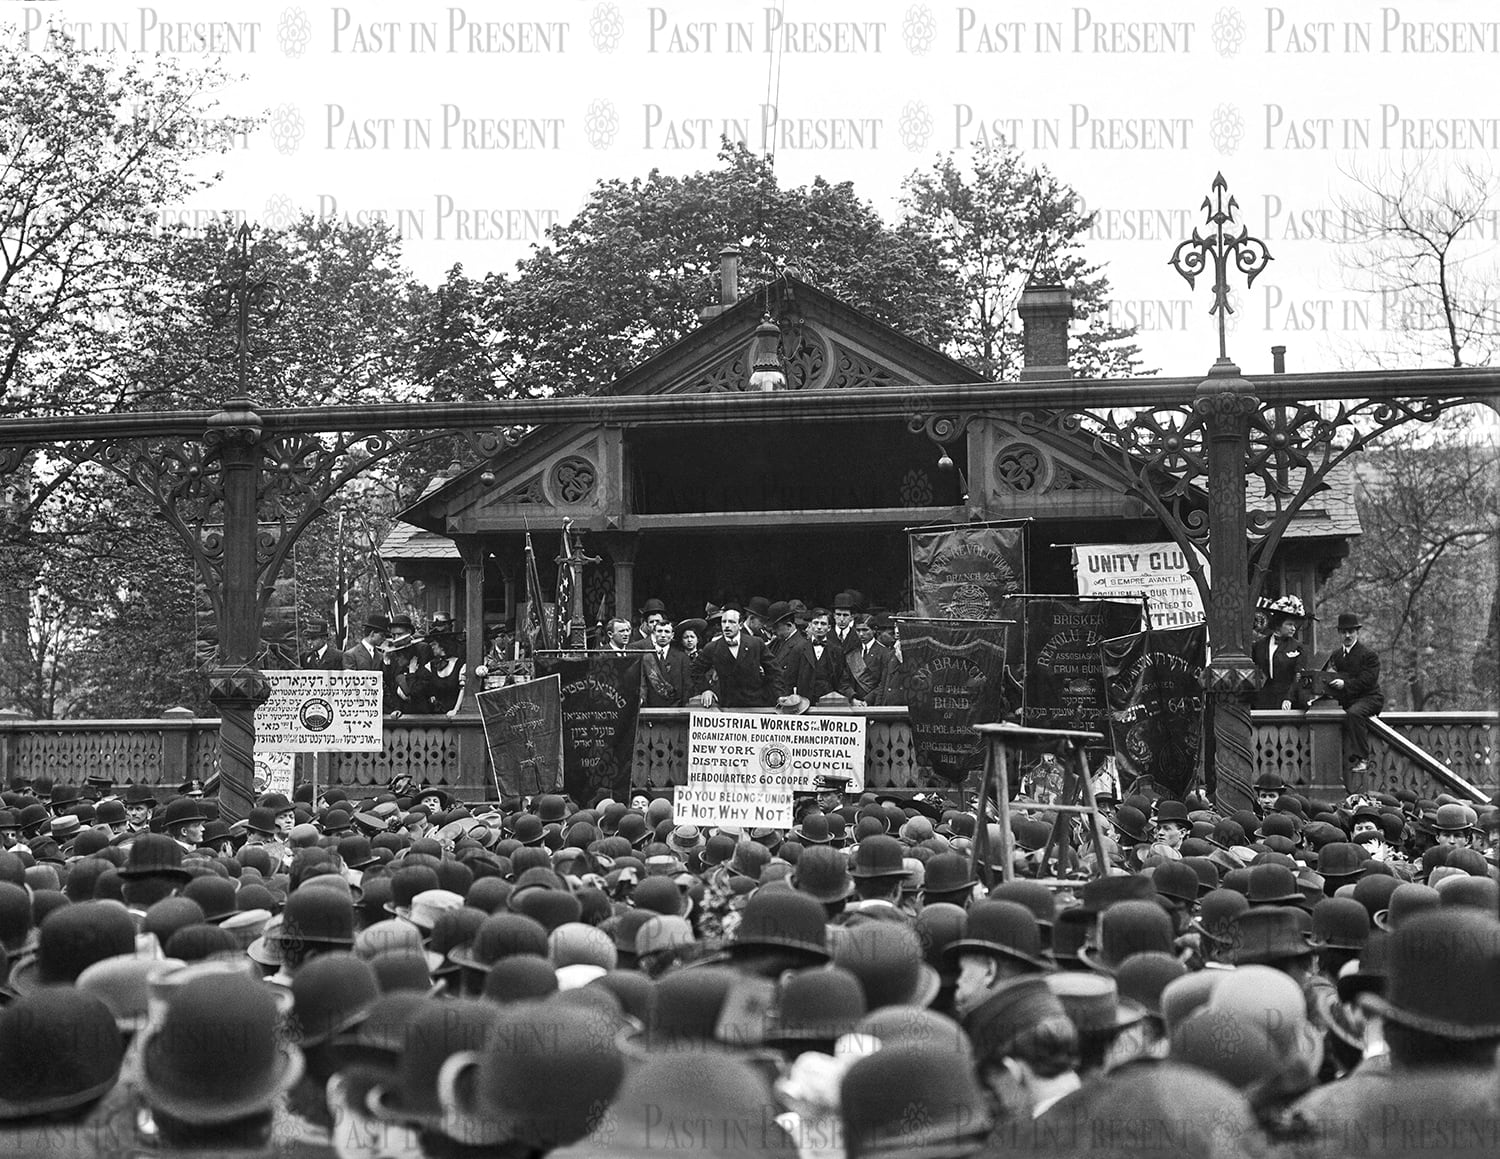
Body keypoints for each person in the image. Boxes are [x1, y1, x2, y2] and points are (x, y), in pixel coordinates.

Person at [1323, 612, 1384, 773]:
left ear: (1357, 632)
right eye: (1344, 632)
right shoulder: (1336, 655)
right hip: (1347, 699)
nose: (1347, 635)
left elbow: (1368, 681)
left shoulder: (1368, 655)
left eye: (1351, 631)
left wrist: (1345, 684)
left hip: (1370, 698)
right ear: (1339, 633)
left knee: (1354, 714)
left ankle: (1363, 758)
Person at [691, 606, 778, 708]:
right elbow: (696, 670)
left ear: (740, 625)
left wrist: (777, 696)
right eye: (724, 622)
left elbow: (774, 671)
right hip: (726, 705)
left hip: (755, 704)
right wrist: (705, 689)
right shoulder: (712, 647)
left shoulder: (756, 643)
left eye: (732, 622)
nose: (727, 626)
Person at [1252, 595, 1309, 710]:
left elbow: (1298, 677)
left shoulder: (1298, 647)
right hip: (1262, 701)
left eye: (1294, 625)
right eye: (1289, 624)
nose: (1293, 628)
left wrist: (1289, 698)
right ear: (1278, 625)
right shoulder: (1259, 646)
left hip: (1287, 702)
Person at [641, 619, 689, 708]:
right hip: (651, 711)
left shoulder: (682, 657)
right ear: (654, 634)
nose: (663, 635)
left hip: (676, 711)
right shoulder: (646, 657)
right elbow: (642, 686)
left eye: (667, 632)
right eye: (659, 631)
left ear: (672, 635)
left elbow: (686, 686)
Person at [423, 632, 466, 716]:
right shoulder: (430, 666)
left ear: (443, 645)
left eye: (434, 644)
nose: (432, 647)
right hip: (436, 715)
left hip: (456, 715)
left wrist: (455, 710)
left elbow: (463, 689)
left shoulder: (460, 664)